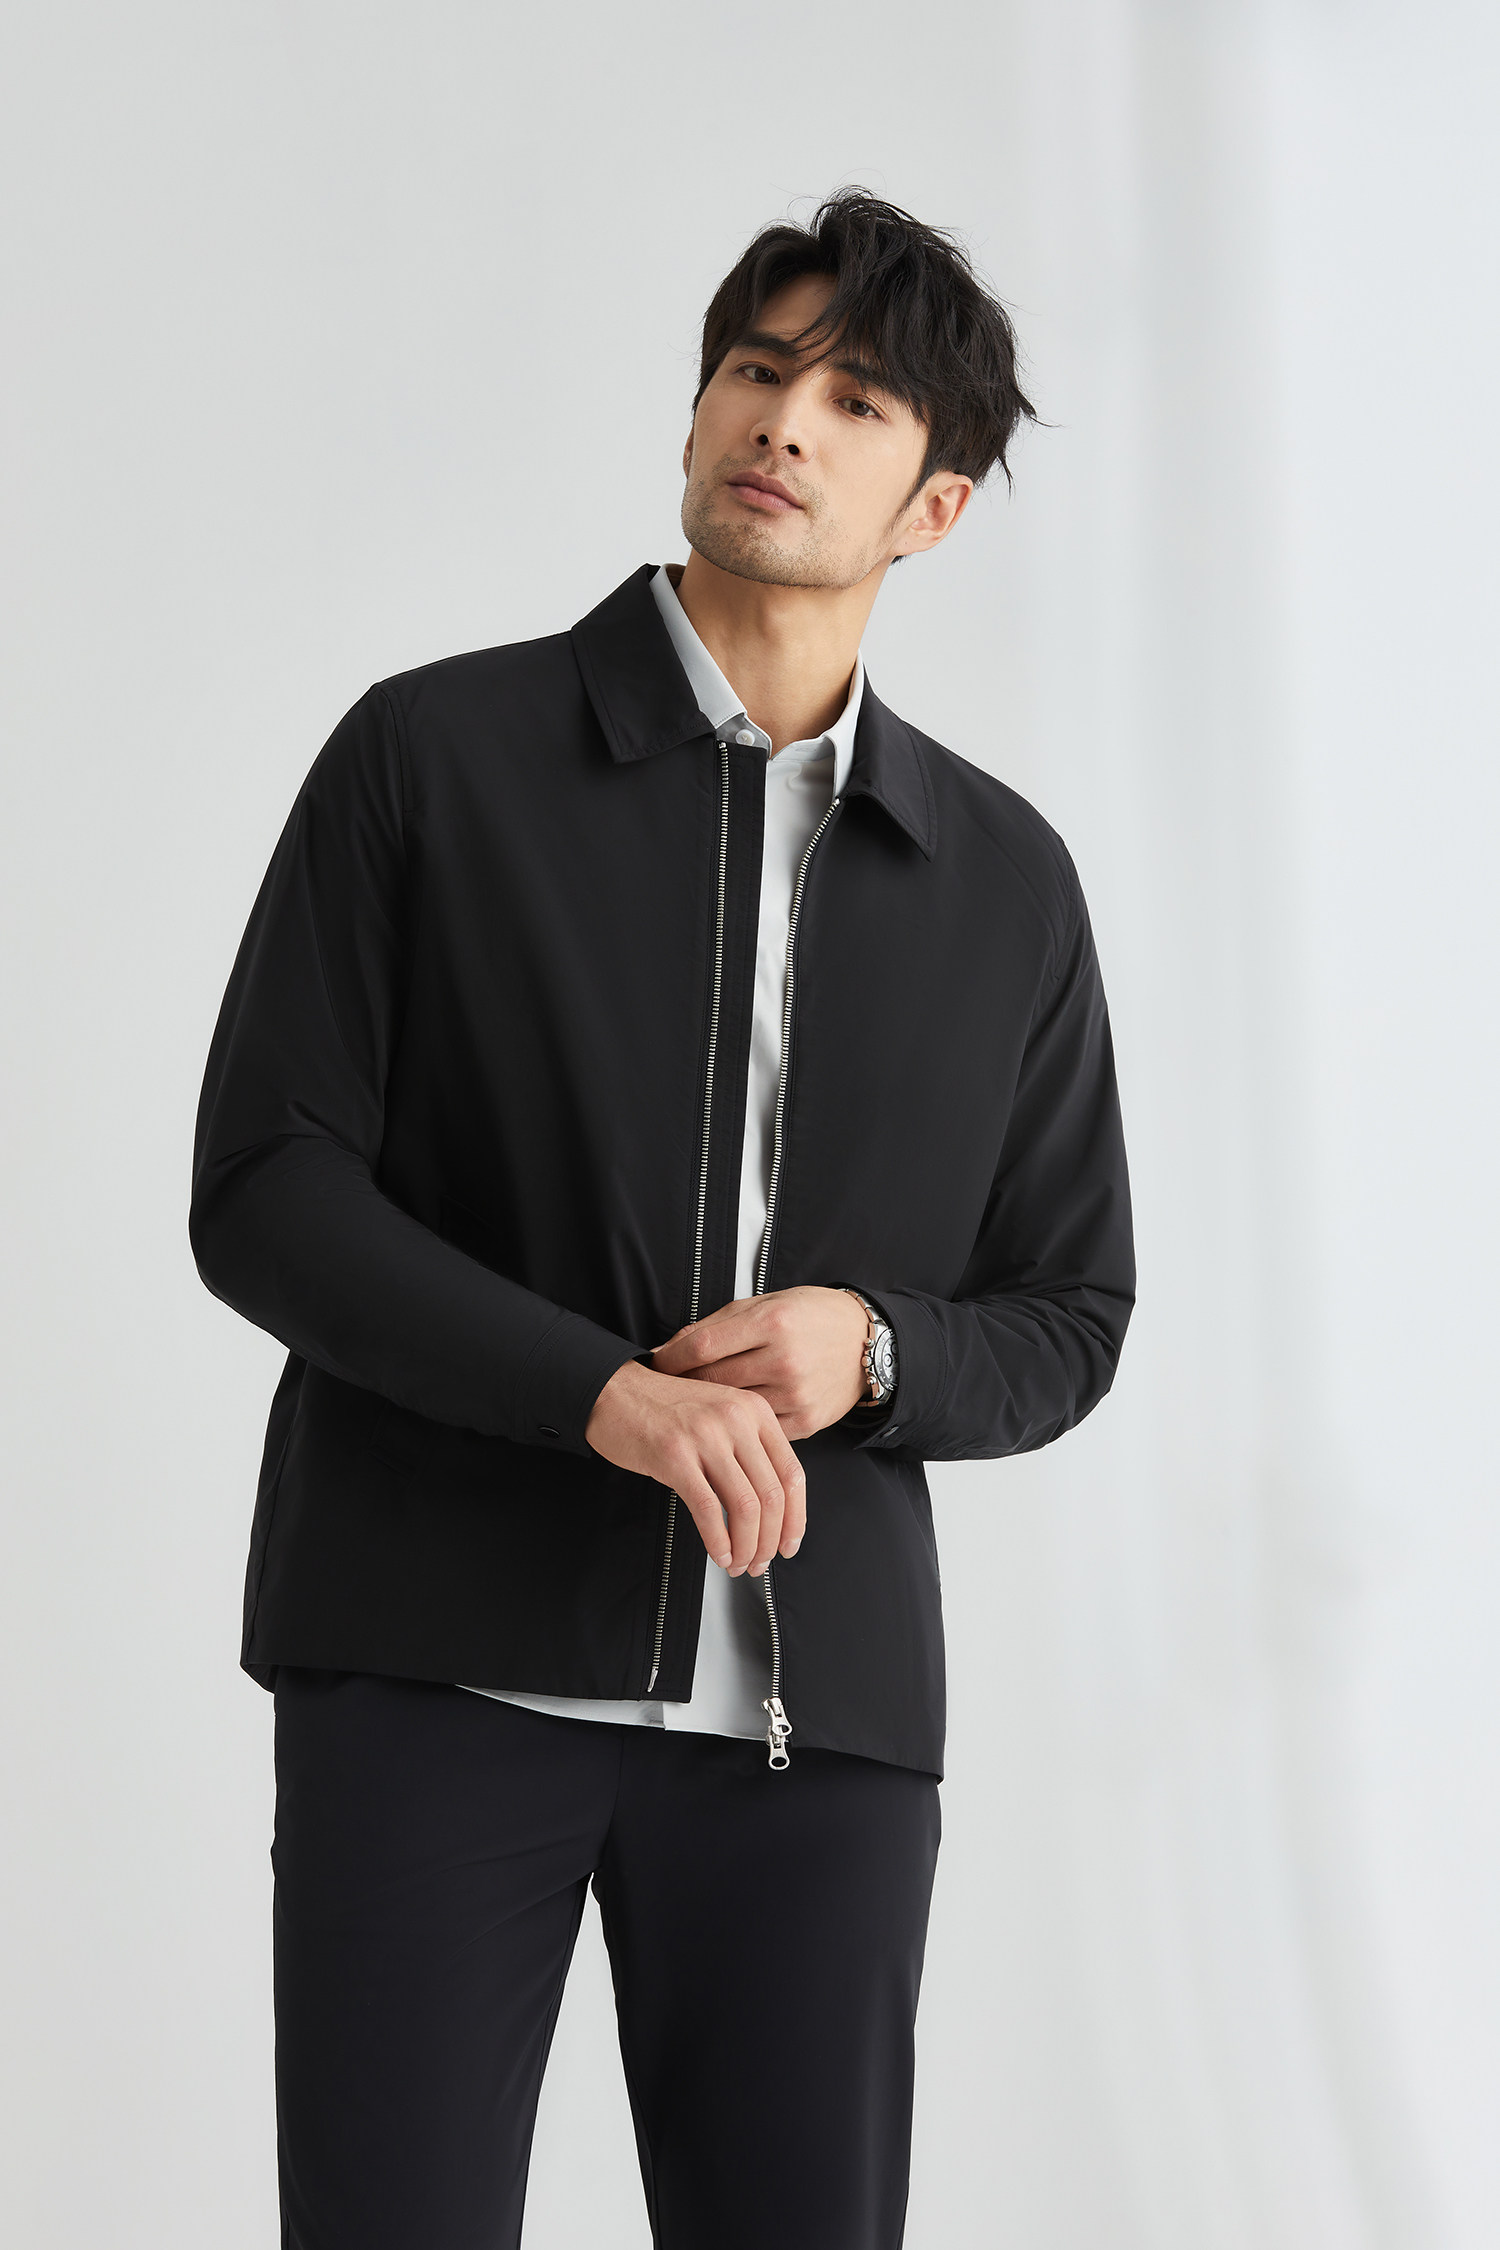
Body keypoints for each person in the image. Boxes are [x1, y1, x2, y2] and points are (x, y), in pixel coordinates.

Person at [190, 187, 1135, 2250]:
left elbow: (1070, 1311)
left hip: (821, 1733)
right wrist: (601, 1394)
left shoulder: (1004, 880)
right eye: (757, 370)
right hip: (434, 1678)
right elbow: (267, 1189)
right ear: (699, 408)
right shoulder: (434, 758)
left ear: (936, 506)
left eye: (857, 400)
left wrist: (872, 1349)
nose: (784, 419)